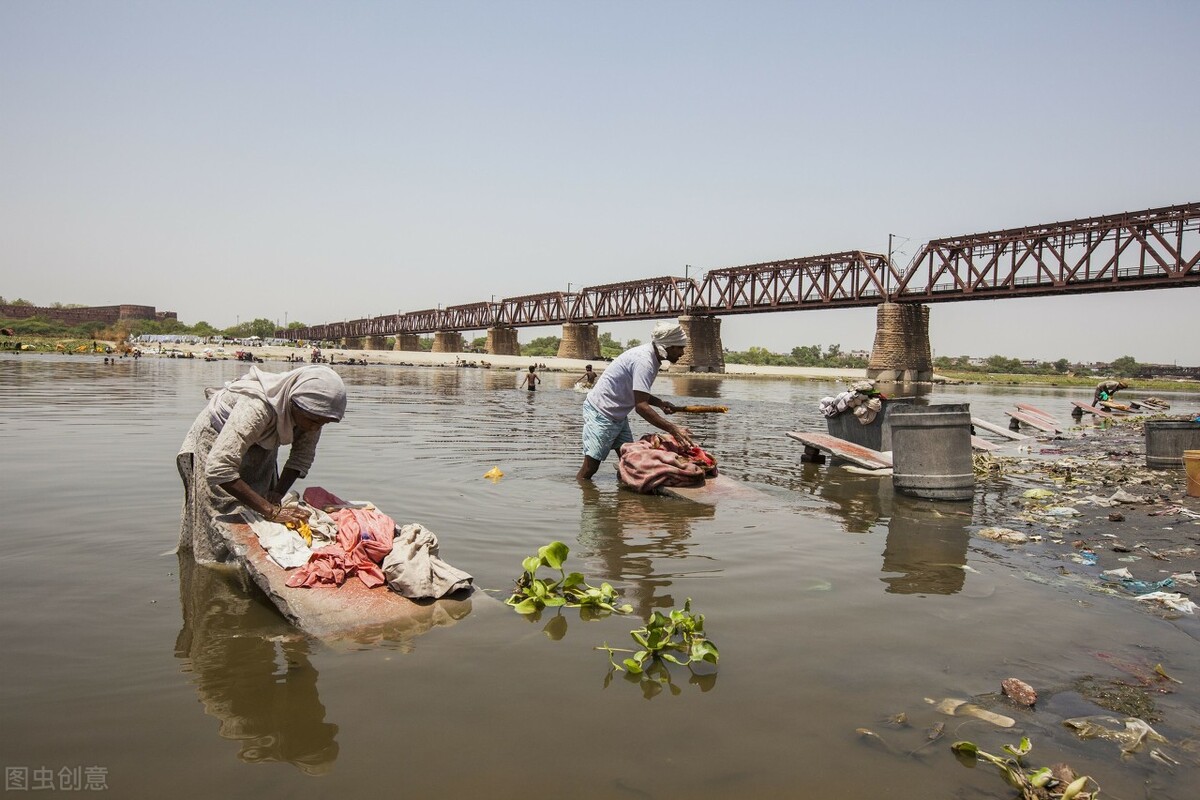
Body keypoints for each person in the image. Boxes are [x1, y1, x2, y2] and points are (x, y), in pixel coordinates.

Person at [177, 365, 347, 564]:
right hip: (217, 441)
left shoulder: (311, 415)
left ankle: (249, 562)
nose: (315, 427)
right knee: (219, 512)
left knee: (260, 504)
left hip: (262, 445)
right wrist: (272, 511)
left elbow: (301, 457)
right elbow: (219, 467)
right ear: (292, 404)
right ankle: (213, 568)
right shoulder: (258, 406)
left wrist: (276, 496)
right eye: (312, 420)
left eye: (323, 423)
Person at [577, 321, 695, 481]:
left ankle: (625, 499)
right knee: (591, 467)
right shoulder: (645, 361)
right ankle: (586, 498)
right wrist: (673, 429)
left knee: (629, 462)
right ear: (669, 346)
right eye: (680, 347)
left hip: (618, 415)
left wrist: (660, 403)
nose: (682, 352)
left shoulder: (651, 358)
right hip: (602, 412)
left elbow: (639, 395)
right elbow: (641, 407)